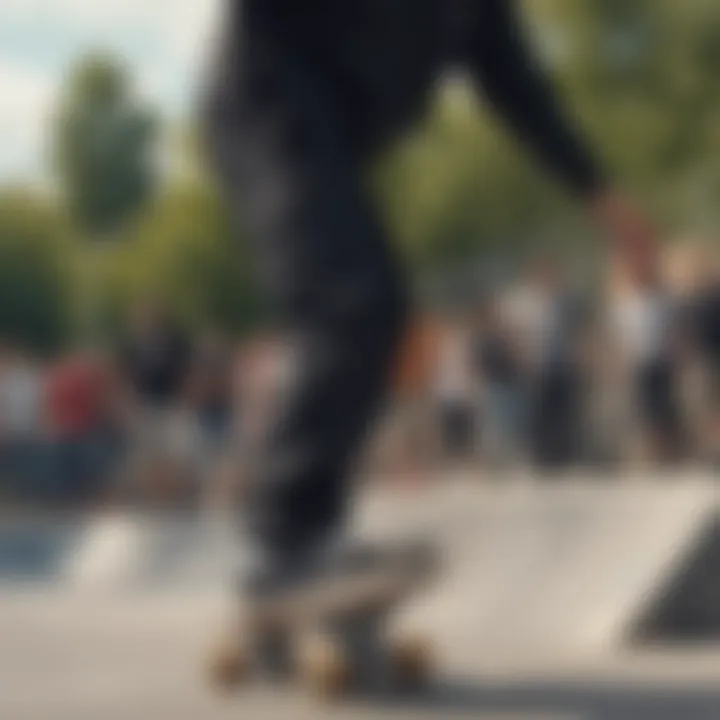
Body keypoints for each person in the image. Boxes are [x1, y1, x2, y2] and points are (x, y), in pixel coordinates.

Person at [201, 0, 657, 598]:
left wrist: (601, 195)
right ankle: (289, 542)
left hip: (328, 141)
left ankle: (312, 534)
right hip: (263, 113)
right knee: (352, 300)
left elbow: (517, 86)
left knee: (379, 313)